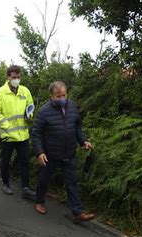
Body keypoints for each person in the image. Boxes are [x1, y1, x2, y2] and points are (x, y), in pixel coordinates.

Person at [31, 81, 95, 223]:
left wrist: (83, 141)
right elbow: (36, 134)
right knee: (44, 179)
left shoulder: (72, 106)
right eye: (58, 96)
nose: (61, 98)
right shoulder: (44, 111)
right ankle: (39, 201)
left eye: (64, 95)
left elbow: (77, 127)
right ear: (51, 97)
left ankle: (78, 212)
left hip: (69, 152)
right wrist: (39, 152)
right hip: (50, 154)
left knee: (72, 182)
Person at [0, 65, 36, 199]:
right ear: (8, 78)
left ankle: (25, 188)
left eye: (18, 77)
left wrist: (30, 115)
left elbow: (30, 105)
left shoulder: (25, 91)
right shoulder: (0, 93)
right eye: (14, 77)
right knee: (5, 161)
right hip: (7, 135)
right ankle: (5, 183)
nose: (16, 79)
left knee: (24, 162)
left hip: (23, 135)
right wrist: (6, 126)